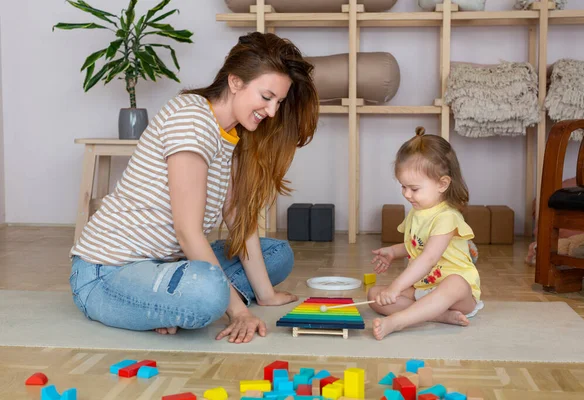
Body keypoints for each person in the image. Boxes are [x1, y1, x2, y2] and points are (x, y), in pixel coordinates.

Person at [69, 32, 319, 344]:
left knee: (277, 254)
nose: (271, 112)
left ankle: (169, 302)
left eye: (278, 102)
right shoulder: (192, 119)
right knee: (208, 293)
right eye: (266, 97)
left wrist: (265, 295)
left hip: (167, 262)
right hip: (107, 272)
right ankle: (179, 301)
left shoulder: (232, 132)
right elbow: (188, 232)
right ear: (235, 82)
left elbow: (237, 213)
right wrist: (239, 311)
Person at [368, 127, 484, 340]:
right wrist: (394, 252)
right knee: (374, 295)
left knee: (456, 283)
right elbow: (417, 245)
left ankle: (399, 321)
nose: (406, 194)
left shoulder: (446, 217)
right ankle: (439, 316)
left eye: (414, 188)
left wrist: (396, 287)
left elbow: (428, 258)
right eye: (403, 186)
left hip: (457, 295)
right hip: (424, 289)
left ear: (442, 184)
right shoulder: (417, 211)